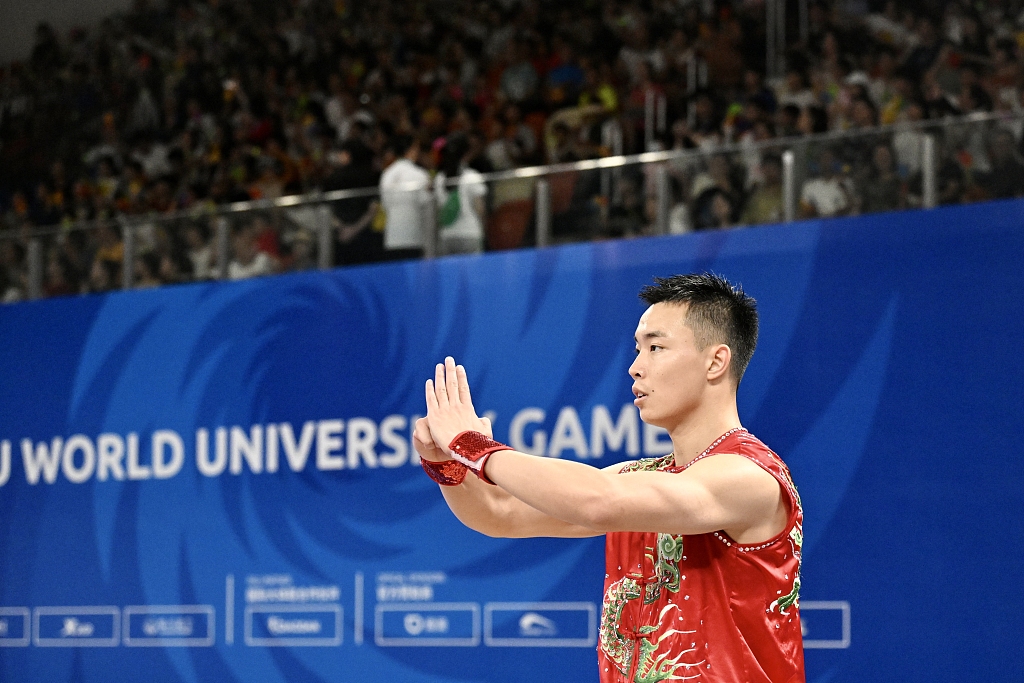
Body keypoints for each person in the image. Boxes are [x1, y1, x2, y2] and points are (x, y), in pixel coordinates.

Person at [414, 273, 804, 683]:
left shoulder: (749, 474)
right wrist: (447, 464)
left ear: (716, 361)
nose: (635, 368)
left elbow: (598, 501)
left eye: (656, 347)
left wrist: (473, 446)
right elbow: (500, 511)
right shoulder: (640, 477)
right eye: (638, 350)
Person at [379, 135, 431, 261]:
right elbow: (427, 206)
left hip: (392, 236)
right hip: (414, 236)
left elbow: (385, 204)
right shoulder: (420, 175)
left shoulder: (387, 174)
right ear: (411, 149)